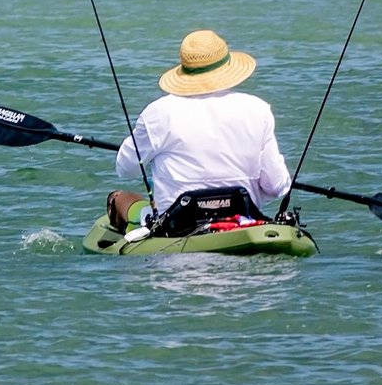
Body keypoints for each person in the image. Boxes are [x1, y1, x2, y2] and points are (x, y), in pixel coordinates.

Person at [107, 29, 292, 234]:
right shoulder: (258, 110)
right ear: (228, 67)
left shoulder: (158, 112)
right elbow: (276, 187)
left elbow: (125, 168)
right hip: (243, 222)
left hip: (177, 228)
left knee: (117, 199)